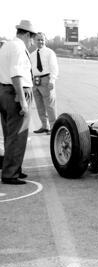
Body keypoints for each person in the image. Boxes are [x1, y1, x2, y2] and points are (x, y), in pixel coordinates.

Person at [0, 20, 36, 185]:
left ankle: (13, 168)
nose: (32, 42)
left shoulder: (7, 46)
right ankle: (10, 173)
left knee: (10, 134)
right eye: (32, 38)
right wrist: (22, 101)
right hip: (16, 92)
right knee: (18, 135)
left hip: (3, 91)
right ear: (27, 35)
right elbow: (16, 75)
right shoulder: (19, 48)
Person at [30, 32, 59, 134]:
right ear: (34, 41)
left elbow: (54, 68)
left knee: (50, 105)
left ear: (45, 41)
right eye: (38, 39)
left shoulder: (49, 52)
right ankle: (44, 126)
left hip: (46, 79)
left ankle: (53, 127)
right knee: (39, 105)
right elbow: (31, 69)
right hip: (35, 81)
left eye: (42, 39)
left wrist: (52, 80)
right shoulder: (32, 55)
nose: (40, 41)